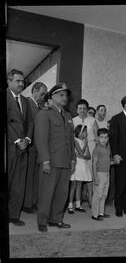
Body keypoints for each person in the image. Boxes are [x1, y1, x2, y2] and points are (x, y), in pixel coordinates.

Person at [35, 83, 76, 232]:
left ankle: (56, 219)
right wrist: (45, 160)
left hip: (65, 161)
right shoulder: (44, 114)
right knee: (46, 193)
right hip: (50, 162)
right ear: (51, 97)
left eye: (66, 95)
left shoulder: (68, 115)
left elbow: (70, 140)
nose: (65, 98)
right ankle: (42, 221)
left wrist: (72, 159)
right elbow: (41, 139)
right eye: (61, 95)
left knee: (61, 194)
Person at [7, 69, 33, 226]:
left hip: (23, 149)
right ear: (9, 81)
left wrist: (28, 139)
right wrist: (17, 140)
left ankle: (14, 215)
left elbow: (30, 121)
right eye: (18, 81)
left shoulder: (25, 101)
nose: (21, 84)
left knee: (18, 184)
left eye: (22, 81)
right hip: (9, 147)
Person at [23, 82, 47, 214]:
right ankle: (27, 204)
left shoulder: (39, 106)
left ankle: (32, 202)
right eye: (42, 93)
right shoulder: (26, 103)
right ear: (34, 91)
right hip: (30, 147)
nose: (43, 96)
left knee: (36, 176)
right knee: (28, 176)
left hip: (38, 148)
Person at [73, 99, 97, 205]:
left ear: (87, 110)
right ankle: (77, 200)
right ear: (77, 110)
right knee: (77, 175)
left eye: (84, 108)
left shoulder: (92, 120)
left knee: (90, 174)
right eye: (80, 108)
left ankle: (91, 199)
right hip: (77, 150)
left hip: (90, 148)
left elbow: (97, 136)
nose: (82, 110)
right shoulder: (73, 121)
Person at [68, 125, 92, 214]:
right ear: (79, 132)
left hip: (83, 165)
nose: (86, 133)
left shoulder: (85, 141)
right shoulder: (75, 140)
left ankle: (78, 205)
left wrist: (85, 155)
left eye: (86, 132)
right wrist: (85, 144)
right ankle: (70, 205)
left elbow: (88, 156)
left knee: (79, 185)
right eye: (84, 132)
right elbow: (81, 152)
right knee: (73, 185)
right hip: (77, 164)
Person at [91, 128, 112, 221]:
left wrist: (114, 162)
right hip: (99, 174)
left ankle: (101, 213)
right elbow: (94, 163)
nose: (104, 139)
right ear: (98, 138)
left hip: (107, 173)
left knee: (104, 194)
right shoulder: (97, 149)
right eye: (101, 137)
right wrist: (95, 177)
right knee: (98, 195)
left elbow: (107, 161)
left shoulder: (107, 149)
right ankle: (94, 214)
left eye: (106, 137)